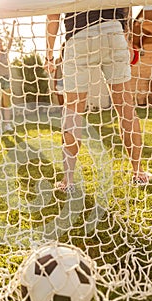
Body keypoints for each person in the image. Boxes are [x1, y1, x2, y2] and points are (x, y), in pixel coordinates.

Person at [45, 9, 152, 191]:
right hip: (113, 32)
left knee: (72, 111)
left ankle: (68, 181)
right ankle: (139, 172)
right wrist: (125, 37)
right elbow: (126, 7)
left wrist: (49, 55)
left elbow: (53, 15)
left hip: (78, 36)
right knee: (126, 108)